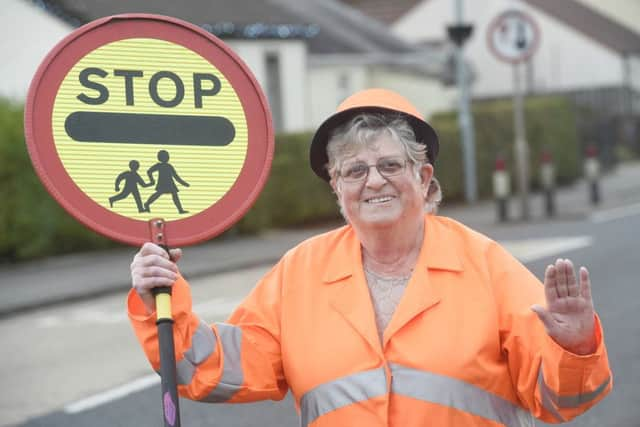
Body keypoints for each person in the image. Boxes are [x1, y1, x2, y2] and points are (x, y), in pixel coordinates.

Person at [128, 88, 612, 426]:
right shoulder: (300, 272)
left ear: (423, 177)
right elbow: (216, 369)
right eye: (354, 170)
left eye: (390, 165)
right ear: (337, 188)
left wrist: (574, 349)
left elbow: (563, 400)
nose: (373, 181)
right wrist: (161, 308)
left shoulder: (485, 264)